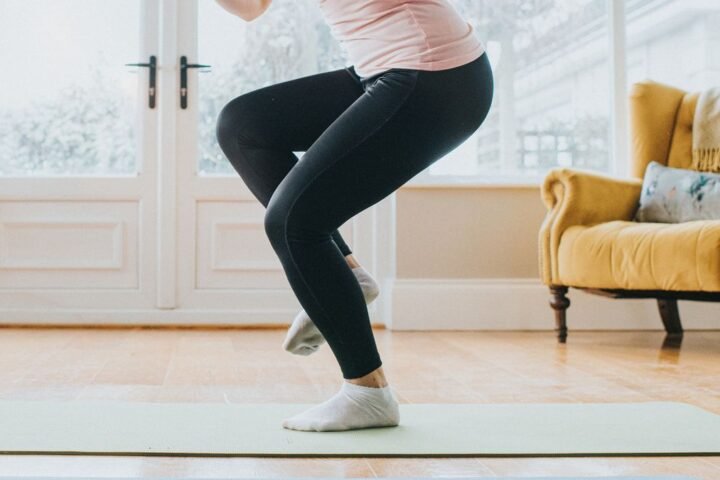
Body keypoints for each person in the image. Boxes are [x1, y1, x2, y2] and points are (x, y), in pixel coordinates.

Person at [214, 0, 494, 432]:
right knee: (243, 126)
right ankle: (350, 274)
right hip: (384, 69)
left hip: (433, 75)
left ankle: (368, 392)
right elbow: (251, 7)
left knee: (293, 223)